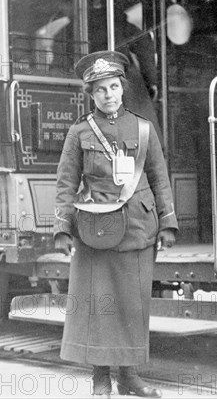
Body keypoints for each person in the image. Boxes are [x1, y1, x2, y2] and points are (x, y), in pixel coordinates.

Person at [54, 51, 178, 397]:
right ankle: (99, 379)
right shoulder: (79, 132)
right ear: (91, 95)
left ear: (123, 89)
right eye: (101, 90)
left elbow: (159, 177)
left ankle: (129, 377)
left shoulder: (143, 128)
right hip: (95, 230)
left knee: (131, 305)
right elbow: (66, 182)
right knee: (97, 305)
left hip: (138, 228)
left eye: (113, 87)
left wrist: (167, 223)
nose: (109, 95)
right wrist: (62, 228)